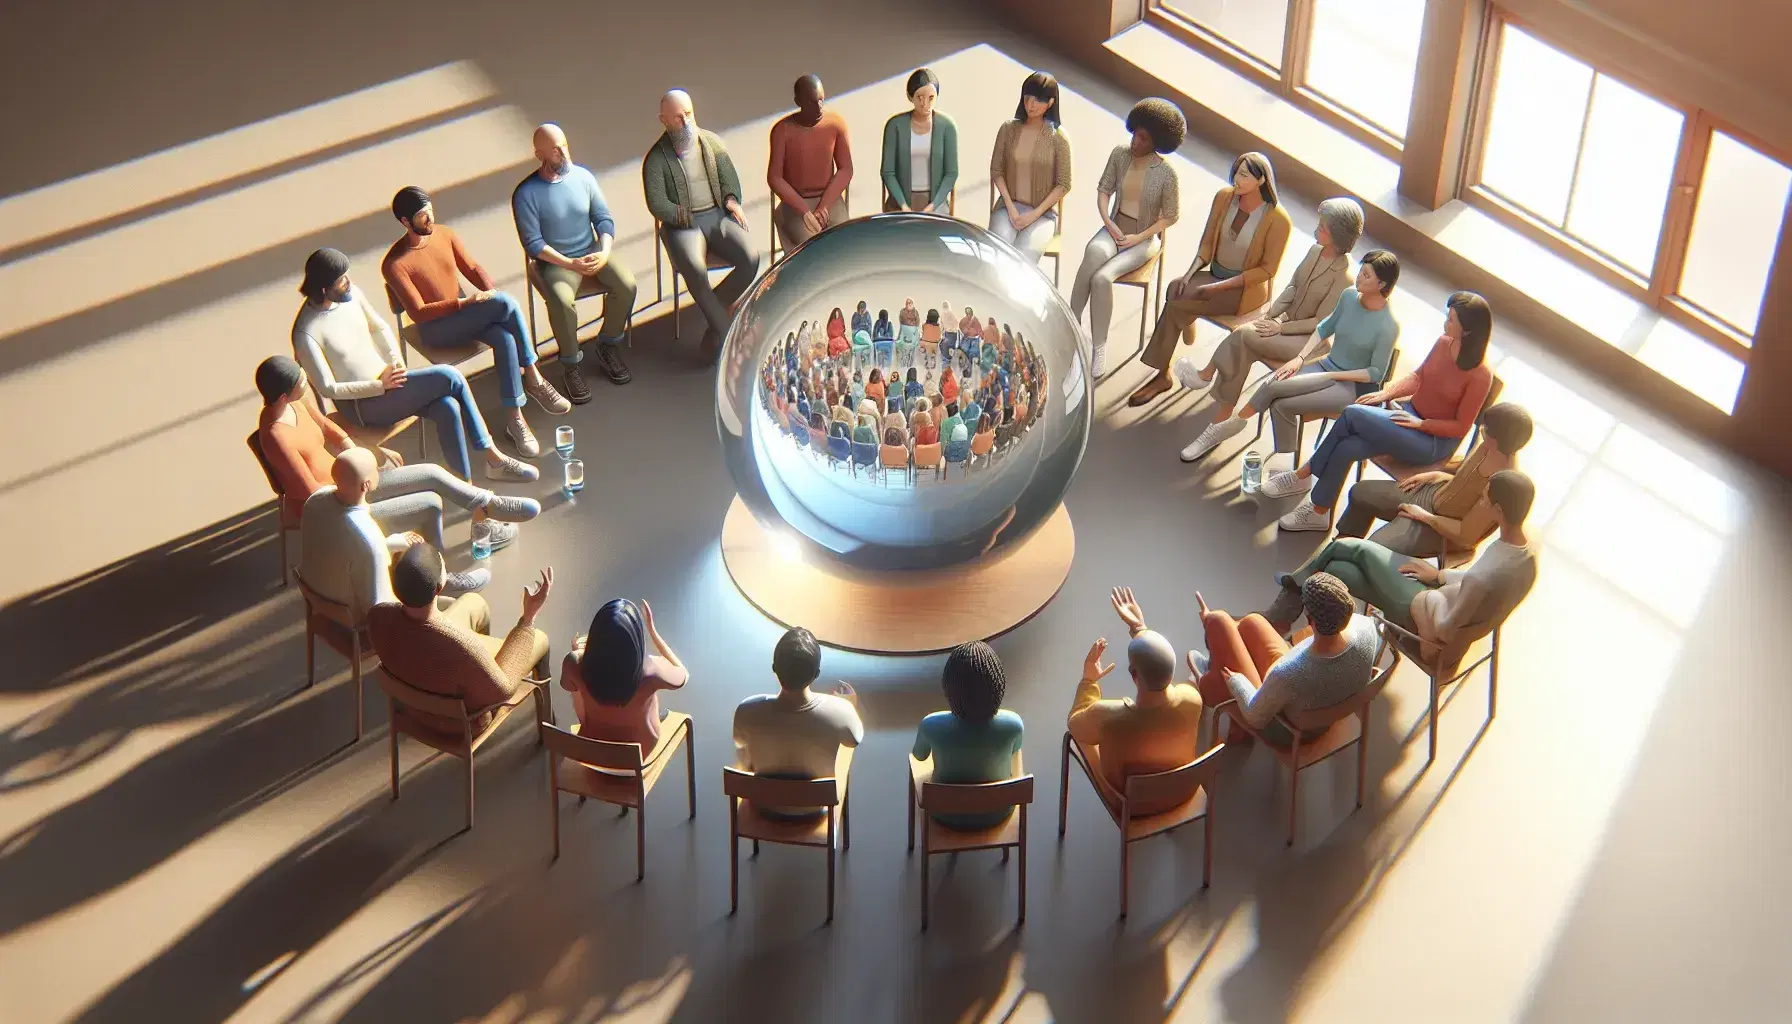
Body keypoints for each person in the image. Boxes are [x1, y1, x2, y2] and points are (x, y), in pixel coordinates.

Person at [291, 248, 537, 484]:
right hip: (362, 407)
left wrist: (395, 361)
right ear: (323, 288)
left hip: (390, 381)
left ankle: (465, 485)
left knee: (447, 407)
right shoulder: (307, 331)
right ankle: (494, 458)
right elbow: (328, 388)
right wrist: (379, 385)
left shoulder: (352, 294)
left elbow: (380, 328)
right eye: (341, 280)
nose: (348, 282)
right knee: (450, 376)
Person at [256, 356, 538, 555]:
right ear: (283, 396)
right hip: (338, 508)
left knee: (431, 472)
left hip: (351, 479)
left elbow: (329, 429)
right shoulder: (275, 436)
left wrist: (363, 456)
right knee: (430, 503)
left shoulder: (299, 402)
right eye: (301, 380)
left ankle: (489, 503)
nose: (307, 381)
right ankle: (435, 581)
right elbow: (311, 495)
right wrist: (358, 488)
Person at [1265, 291, 1496, 532]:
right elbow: (1418, 376)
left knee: (1352, 413)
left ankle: (1304, 473)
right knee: (1347, 447)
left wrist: (1421, 424)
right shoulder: (1443, 342)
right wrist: (1388, 393)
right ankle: (1320, 513)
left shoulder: (1481, 375)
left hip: (1431, 442)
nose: (1445, 323)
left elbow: (1461, 427)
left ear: (1468, 330)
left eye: (1451, 320)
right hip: (1406, 418)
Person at [1265, 471, 1539, 673]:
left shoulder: (1484, 577)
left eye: (1484, 499)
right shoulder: (1526, 552)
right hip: (1440, 599)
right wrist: (1438, 576)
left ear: (1499, 510)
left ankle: (1288, 603)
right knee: (1339, 570)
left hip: (1420, 622)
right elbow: (1475, 584)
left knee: (1350, 548)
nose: (1480, 501)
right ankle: (1292, 611)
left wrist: (1432, 597)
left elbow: (1444, 629)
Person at [381, 186, 571, 457]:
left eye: (431, 212)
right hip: (435, 329)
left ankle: (515, 419)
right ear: (405, 222)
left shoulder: (444, 234)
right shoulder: (394, 264)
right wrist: (465, 303)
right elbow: (418, 312)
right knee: (507, 304)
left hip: (463, 317)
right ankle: (533, 376)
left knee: (505, 337)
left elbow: (471, 268)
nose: (431, 219)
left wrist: (488, 290)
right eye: (423, 216)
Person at [1172, 197, 1361, 457]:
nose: (1317, 228)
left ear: (1338, 234)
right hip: (1283, 327)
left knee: (1243, 335)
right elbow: (1293, 287)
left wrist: (1280, 329)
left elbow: (1321, 323)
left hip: (1308, 343)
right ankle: (1220, 424)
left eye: (1323, 226)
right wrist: (1270, 316)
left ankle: (1205, 378)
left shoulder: (1345, 277)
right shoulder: (1314, 251)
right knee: (1245, 344)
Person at [1179, 249, 1399, 464]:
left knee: (1282, 404)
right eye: (1361, 271)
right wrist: (1300, 359)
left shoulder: (1388, 326)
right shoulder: (1349, 296)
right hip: (1326, 366)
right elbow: (1325, 327)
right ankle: (1229, 429)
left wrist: (1336, 376)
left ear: (1382, 285)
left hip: (1352, 386)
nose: (1360, 277)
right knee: (1274, 382)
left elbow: (1375, 373)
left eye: (1367, 276)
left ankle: (1282, 466)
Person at [1128, 152, 1293, 406]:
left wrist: (1219, 287)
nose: (1236, 179)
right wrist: (1191, 273)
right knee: (1176, 287)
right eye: (1236, 172)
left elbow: (1267, 271)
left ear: (1261, 180)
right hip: (1214, 275)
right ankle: (1182, 329)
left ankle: (1163, 374)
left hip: (1243, 292)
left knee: (1177, 303)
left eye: (1244, 175)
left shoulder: (1278, 219)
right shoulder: (1224, 198)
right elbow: (1207, 243)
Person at [368, 543, 553, 735]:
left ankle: (480, 674)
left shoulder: (378, 617)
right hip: (461, 724)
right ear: (439, 587)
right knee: (539, 638)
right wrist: (528, 617)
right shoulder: (461, 646)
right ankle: (548, 723)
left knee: (474, 602)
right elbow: (503, 691)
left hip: (411, 706)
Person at [512, 123, 639, 400]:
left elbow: (603, 219)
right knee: (560, 300)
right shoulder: (526, 194)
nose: (563, 153)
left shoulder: (583, 177)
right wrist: (570, 265)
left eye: (564, 145)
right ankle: (571, 365)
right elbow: (533, 244)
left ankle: (607, 345)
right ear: (539, 155)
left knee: (627, 284)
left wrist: (604, 252)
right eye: (555, 149)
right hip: (557, 262)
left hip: (592, 251)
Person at [298, 450, 488, 627]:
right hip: (352, 613)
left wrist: (391, 542)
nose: (379, 471)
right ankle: (436, 583)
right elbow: (379, 611)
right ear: (366, 485)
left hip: (320, 592)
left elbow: (343, 549)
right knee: (472, 606)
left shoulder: (315, 500)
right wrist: (426, 596)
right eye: (375, 470)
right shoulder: (368, 539)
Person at [643, 89, 764, 355]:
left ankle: (712, 318)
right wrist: (679, 215)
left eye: (688, 114)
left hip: (716, 215)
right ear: (663, 120)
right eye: (677, 118)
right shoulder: (655, 159)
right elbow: (657, 202)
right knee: (695, 271)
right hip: (684, 225)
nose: (685, 122)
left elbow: (728, 179)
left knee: (751, 257)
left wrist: (731, 201)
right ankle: (730, 334)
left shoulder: (713, 143)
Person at [1070, 98, 1184, 376]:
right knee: (1093, 252)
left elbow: (1170, 216)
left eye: (1143, 139)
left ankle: (1099, 347)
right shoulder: (1120, 155)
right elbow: (1103, 191)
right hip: (1115, 226)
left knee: (1101, 278)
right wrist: (1108, 222)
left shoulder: (1166, 174)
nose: (1136, 142)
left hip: (1143, 239)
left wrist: (1139, 237)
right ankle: (1070, 325)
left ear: (1157, 142)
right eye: (1135, 134)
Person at [1190, 578, 1377, 748]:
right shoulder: (1367, 629)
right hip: (1322, 700)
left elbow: (1256, 717)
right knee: (1251, 622)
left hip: (1288, 730)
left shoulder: (1289, 673)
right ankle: (1217, 666)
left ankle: (1214, 680)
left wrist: (1235, 681)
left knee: (1217, 621)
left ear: (1309, 619)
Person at [1067, 587, 1206, 815]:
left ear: (1133, 674)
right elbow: (1162, 665)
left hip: (1129, 806)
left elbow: (1074, 724)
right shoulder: (1192, 699)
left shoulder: (1106, 716)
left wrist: (1089, 681)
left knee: (1080, 735)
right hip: (1182, 795)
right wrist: (1139, 627)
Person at [1335, 403, 1533, 558]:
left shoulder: (1502, 483)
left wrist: (1423, 516)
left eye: (1486, 430)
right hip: (1436, 494)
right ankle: (1340, 546)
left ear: (1499, 439)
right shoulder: (1487, 446)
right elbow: (1467, 477)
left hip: (1444, 531)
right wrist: (1438, 476)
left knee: (1371, 548)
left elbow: (1465, 535)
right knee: (1361, 492)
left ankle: (1341, 575)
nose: (1481, 430)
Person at [732, 627, 864, 819]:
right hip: (816, 807)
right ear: (816, 673)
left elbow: (739, 743)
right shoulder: (840, 710)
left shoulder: (746, 710)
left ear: (774, 668)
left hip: (763, 803)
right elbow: (854, 740)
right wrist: (849, 707)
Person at [911, 642, 1025, 828]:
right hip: (998, 811)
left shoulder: (931, 724)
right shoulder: (1013, 724)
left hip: (944, 812)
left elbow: (918, 756)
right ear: (999, 684)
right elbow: (1015, 751)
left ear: (948, 688)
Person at [561, 598, 688, 749]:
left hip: (592, 754)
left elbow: (573, 694)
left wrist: (578, 653)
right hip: (639, 759)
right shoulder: (652, 671)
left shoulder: (573, 663)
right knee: (650, 695)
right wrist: (653, 631)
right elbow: (683, 674)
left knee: (579, 688)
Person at [990, 71, 1073, 264]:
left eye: (1038, 100)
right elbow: (997, 170)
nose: (1031, 105)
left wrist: (1034, 215)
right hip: (1008, 207)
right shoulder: (1008, 129)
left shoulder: (1059, 138)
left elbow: (1064, 184)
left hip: (1042, 214)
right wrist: (1010, 208)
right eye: (1027, 98)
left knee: (1023, 259)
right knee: (997, 252)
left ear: (1051, 102)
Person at [768, 74, 853, 250]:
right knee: (812, 248)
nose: (819, 107)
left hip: (829, 199)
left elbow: (846, 169)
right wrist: (803, 211)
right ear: (798, 101)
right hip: (796, 203)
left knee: (845, 241)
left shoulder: (836, 124)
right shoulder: (781, 131)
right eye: (812, 102)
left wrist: (824, 206)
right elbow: (775, 177)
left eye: (821, 100)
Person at [881, 67, 959, 214]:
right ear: (911, 97)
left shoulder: (947, 126)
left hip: (935, 200)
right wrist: (903, 205)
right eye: (919, 97)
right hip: (901, 199)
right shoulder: (894, 125)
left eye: (931, 98)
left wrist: (933, 206)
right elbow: (888, 172)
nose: (925, 104)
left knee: (933, 232)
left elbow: (951, 173)